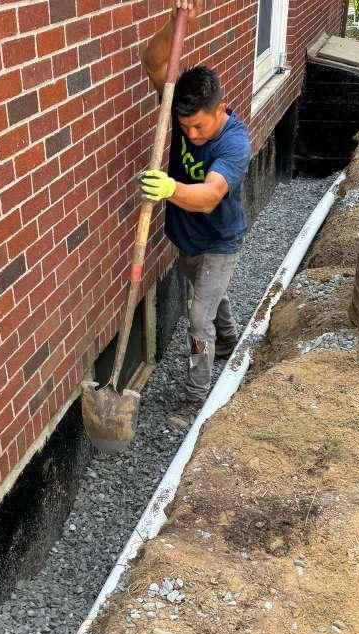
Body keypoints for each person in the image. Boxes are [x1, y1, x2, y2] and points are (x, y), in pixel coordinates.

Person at [141, 0, 251, 414]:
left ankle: (194, 396)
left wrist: (169, 188)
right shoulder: (185, 114)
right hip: (187, 239)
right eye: (185, 126)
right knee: (211, 295)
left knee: (198, 316)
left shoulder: (235, 143)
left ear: (220, 109)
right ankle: (228, 340)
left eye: (199, 126)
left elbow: (208, 196)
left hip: (220, 240)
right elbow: (153, 63)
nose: (190, 134)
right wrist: (176, 22)